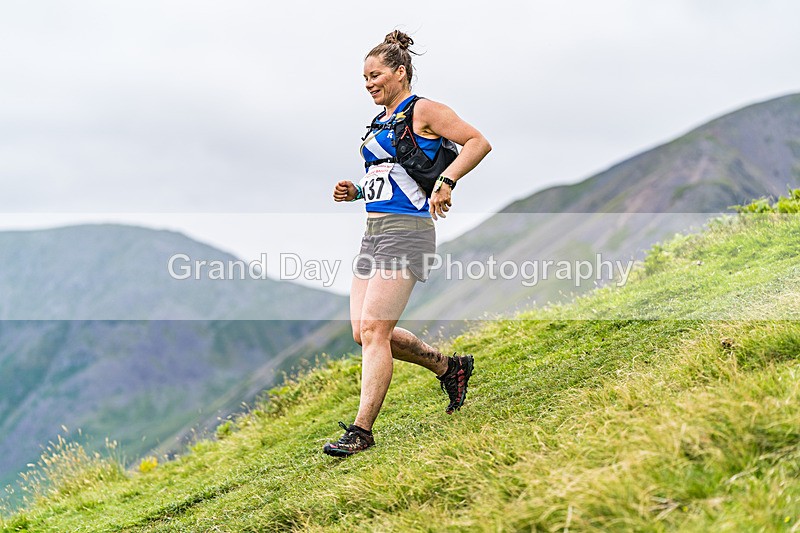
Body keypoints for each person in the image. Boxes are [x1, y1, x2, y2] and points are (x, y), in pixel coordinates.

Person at [325, 30, 492, 457]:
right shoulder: (380, 122)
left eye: (375, 74)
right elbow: (393, 178)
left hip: (408, 231)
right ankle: (449, 367)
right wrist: (358, 192)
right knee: (363, 333)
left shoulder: (425, 110)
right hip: (373, 233)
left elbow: (478, 142)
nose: (368, 83)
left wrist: (447, 180)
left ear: (401, 73)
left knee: (376, 330)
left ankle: (362, 431)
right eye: (364, 77)